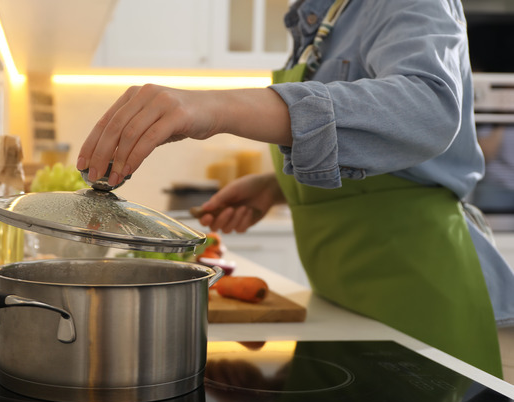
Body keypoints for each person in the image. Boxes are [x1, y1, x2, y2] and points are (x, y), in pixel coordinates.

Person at [76, 0, 514, 377]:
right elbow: (387, 159)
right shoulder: (320, 17)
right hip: (346, 312)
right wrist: (277, 186)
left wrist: (218, 104)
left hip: (426, 308)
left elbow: (428, 109)